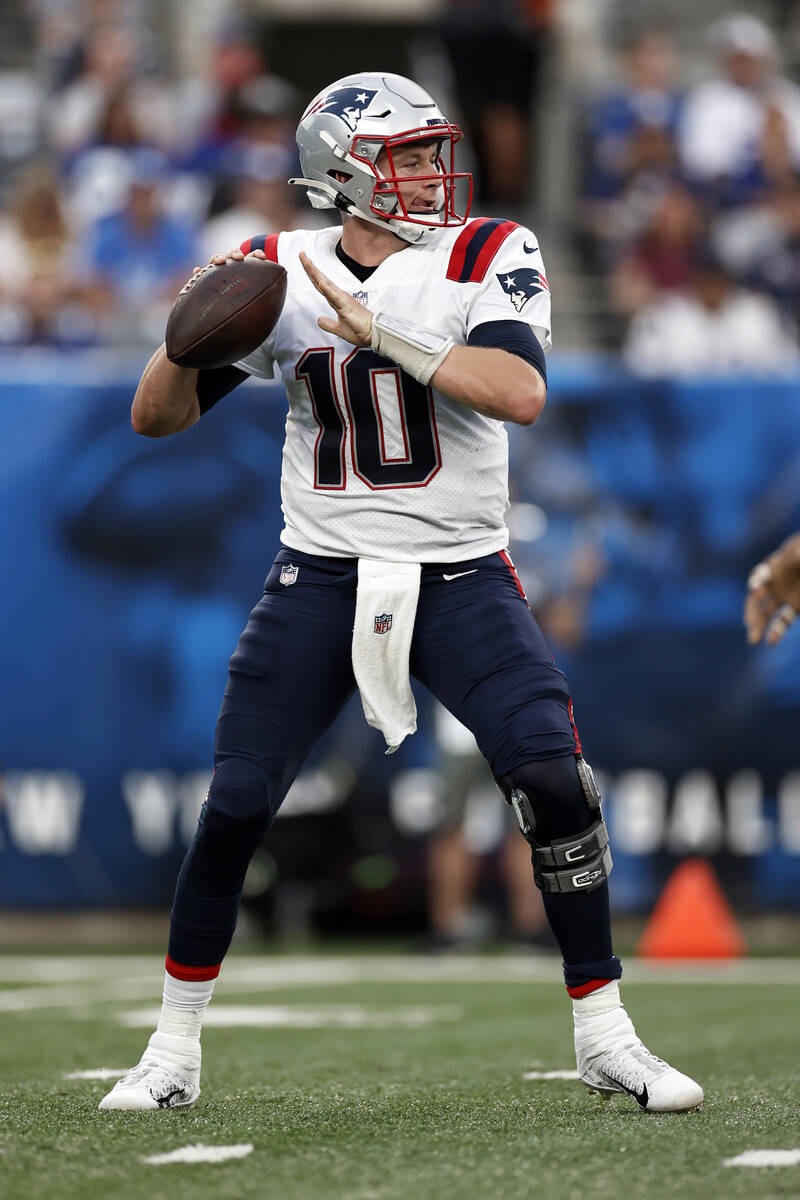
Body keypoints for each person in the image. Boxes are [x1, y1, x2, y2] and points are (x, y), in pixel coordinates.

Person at [100, 72, 703, 1114]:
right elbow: (154, 420)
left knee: (552, 781)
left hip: (462, 573)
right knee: (236, 802)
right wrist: (183, 331)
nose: (431, 171)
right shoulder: (277, 269)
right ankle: (172, 1052)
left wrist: (374, 327)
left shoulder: (486, 251)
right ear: (344, 173)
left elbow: (516, 392)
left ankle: (603, 1033)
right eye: (408, 155)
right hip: (319, 575)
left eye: (432, 151)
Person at [745, 532, 800, 644]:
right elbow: (768, 569)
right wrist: (757, 585)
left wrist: (778, 628)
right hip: (774, 583)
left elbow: (792, 610)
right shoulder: (785, 560)